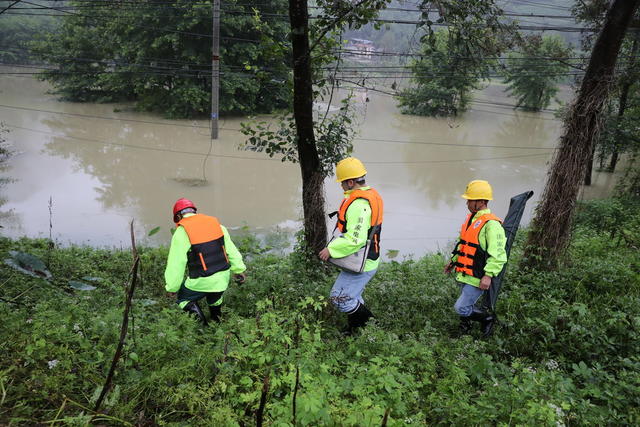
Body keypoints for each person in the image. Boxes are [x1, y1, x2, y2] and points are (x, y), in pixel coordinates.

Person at [319, 157, 383, 334]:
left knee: (340, 299)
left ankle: (371, 327)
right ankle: (355, 331)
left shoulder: (359, 205)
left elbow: (356, 240)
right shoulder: (367, 196)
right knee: (350, 297)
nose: (341, 187)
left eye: (342, 183)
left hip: (362, 262)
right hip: (362, 259)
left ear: (351, 182)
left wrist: (330, 249)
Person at [164, 198, 246, 325]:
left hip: (202, 279)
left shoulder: (182, 232)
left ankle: (203, 328)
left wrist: (172, 287)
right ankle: (216, 322)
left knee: (183, 299)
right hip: (223, 277)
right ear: (194, 211)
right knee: (215, 297)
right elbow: (231, 250)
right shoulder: (217, 225)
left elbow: (176, 264)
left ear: (179, 216)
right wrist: (239, 270)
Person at [444, 180, 507, 338]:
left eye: (470, 200)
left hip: (478, 276)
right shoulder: (471, 219)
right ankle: (464, 327)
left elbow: (498, 255)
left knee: (460, 307)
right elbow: (463, 244)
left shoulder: (492, 225)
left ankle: (488, 318)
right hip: (465, 272)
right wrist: (453, 261)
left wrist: (488, 275)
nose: (467, 203)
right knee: (466, 303)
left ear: (481, 202)